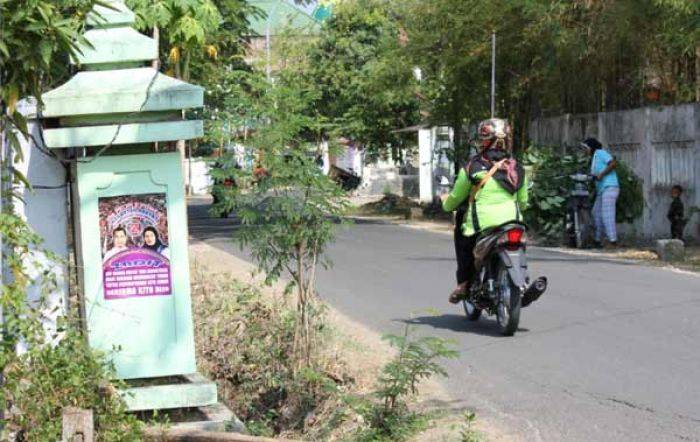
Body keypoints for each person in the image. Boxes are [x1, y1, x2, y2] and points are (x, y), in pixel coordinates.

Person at [442, 118, 528, 303]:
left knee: (463, 237)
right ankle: (522, 280)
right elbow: (523, 201)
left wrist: (446, 206)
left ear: (485, 141)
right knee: (520, 242)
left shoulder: (473, 167)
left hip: (483, 225)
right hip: (513, 221)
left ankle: (464, 284)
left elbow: (456, 197)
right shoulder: (517, 168)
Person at [581, 137, 620, 248]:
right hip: (602, 190)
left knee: (607, 215)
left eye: (585, 148)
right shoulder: (594, 158)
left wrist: (602, 174)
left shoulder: (600, 153)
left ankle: (613, 241)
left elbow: (612, 163)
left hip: (610, 187)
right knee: (595, 213)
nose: (585, 151)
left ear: (591, 147)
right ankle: (598, 239)